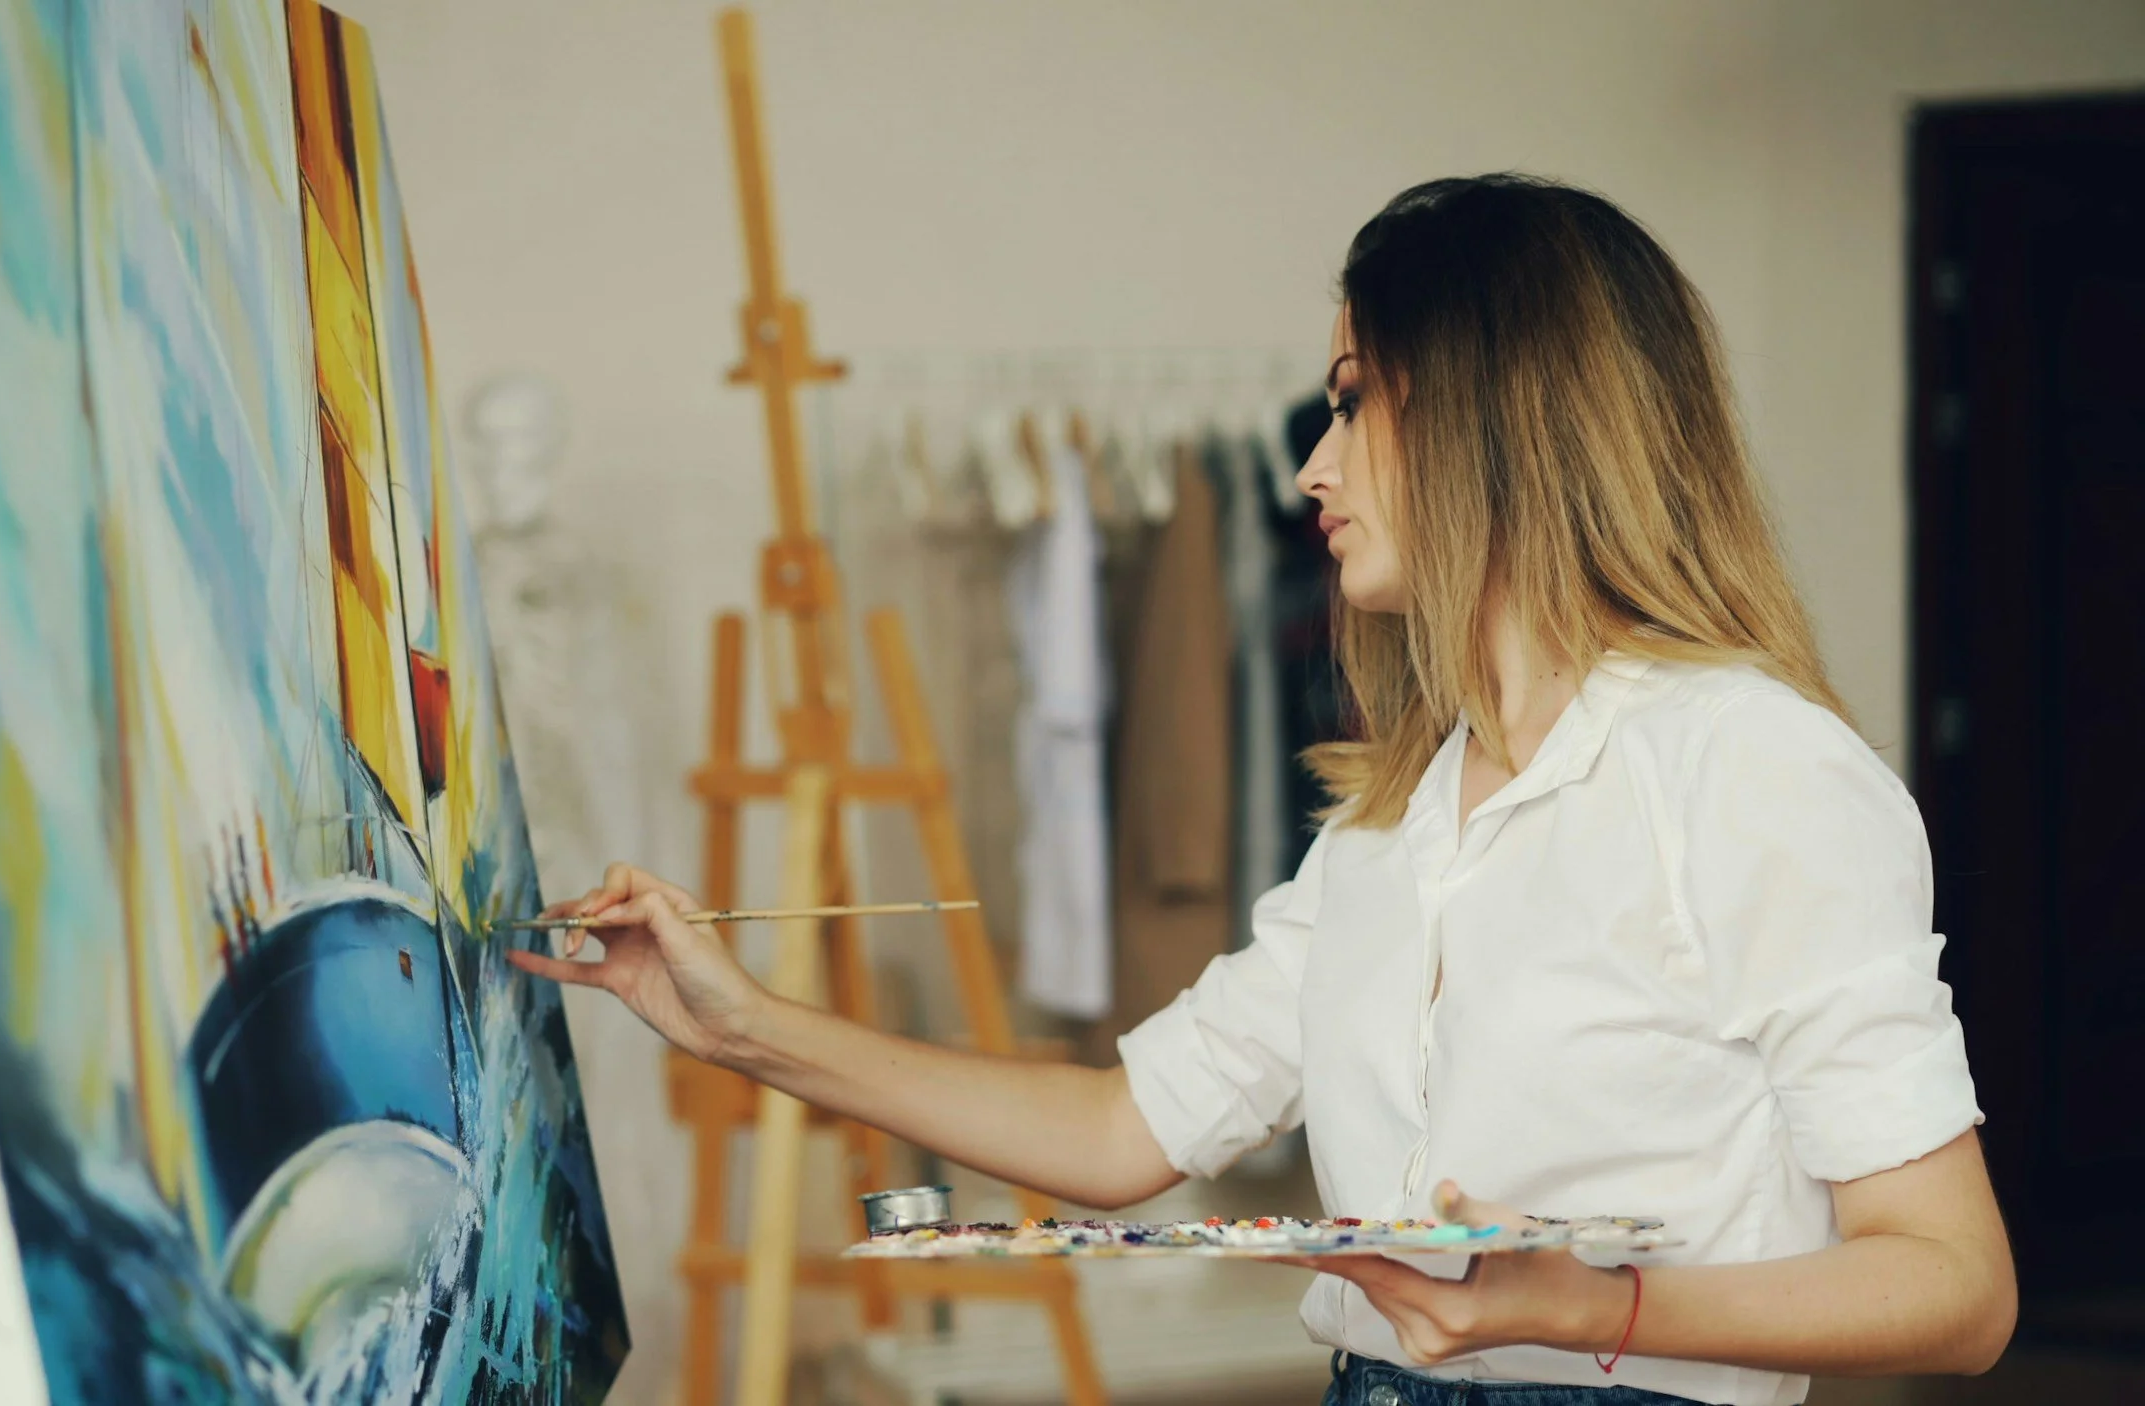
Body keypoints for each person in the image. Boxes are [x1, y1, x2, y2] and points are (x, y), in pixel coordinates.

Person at [511, 174, 2015, 1406]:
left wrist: (1595, 1305)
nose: (1313, 465)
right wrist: (735, 1021)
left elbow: (1955, 1286)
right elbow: (1120, 1134)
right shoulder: (1390, 821)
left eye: (1357, 402)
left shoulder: (1755, 769)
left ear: (1501, 418)